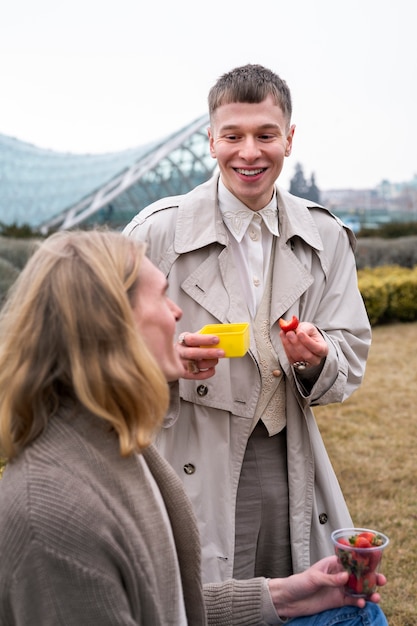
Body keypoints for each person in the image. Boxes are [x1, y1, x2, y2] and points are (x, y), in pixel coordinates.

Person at [0, 230, 387, 625]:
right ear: (108, 324)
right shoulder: (54, 519)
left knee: (357, 611)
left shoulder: (112, 446)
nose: (177, 312)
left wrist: (286, 596)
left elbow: (164, 605)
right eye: (161, 297)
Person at [123, 63, 373, 592]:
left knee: (291, 597)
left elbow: (350, 348)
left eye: (266, 134)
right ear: (210, 139)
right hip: (185, 450)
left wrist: (318, 358)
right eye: (233, 135)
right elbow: (105, 350)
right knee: (201, 600)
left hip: (287, 456)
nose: (250, 152)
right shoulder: (153, 233)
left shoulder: (326, 236)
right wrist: (166, 360)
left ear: (290, 137)